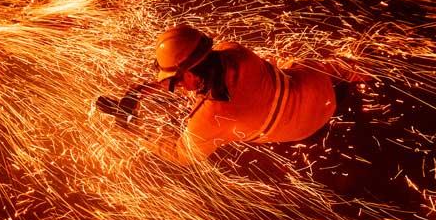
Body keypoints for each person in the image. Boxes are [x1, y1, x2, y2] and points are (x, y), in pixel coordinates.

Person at [138, 24, 368, 165]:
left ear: (189, 73)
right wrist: (146, 89)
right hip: (317, 86)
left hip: (306, 129)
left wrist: (134, 130)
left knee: (208, 142)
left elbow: (182, 156)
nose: (177, 86)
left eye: (176, 81)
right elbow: (204, 75)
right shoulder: (233, 49)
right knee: (291, 61)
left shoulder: (209, 117)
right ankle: (362, 73)